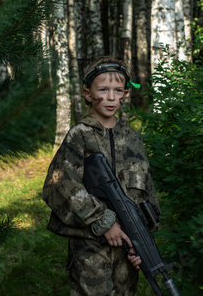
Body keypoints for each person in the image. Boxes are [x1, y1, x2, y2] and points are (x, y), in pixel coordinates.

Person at [42, 56, 160, 296]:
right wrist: (103, 222)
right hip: (90, 246)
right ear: (87, 93)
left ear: (125, 94)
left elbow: (147, 192)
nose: (110, 97)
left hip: (127, 250)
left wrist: (143, 241)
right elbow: (60, 185)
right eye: (103, 89)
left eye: (117, 90)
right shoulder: (80, 136)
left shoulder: (133, 140)